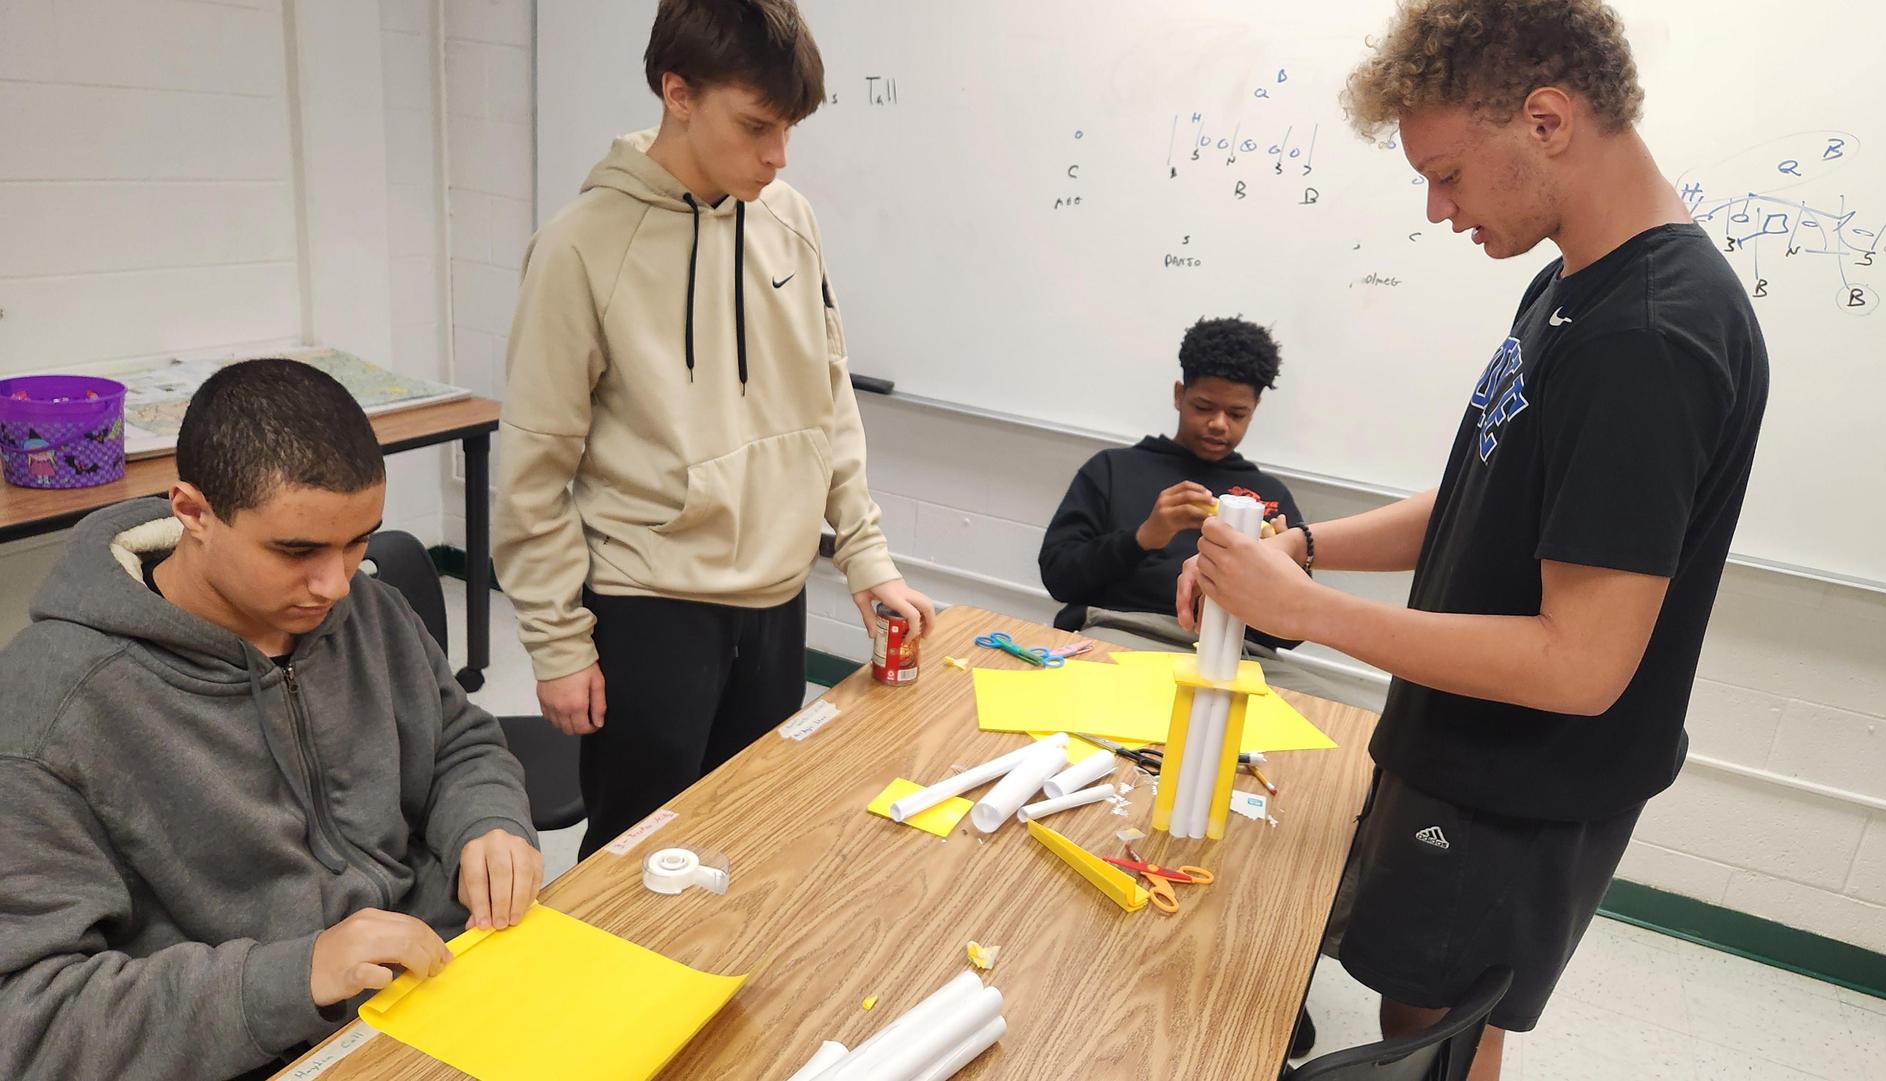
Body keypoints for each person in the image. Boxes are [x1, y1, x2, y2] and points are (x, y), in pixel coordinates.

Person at [1179, 2, 1768, 1076]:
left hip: (1522, 784)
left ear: (1547, 120)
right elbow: (1478, 489)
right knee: (1419, 1005)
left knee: (1439, 1032)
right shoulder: (1573, 280)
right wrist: (1299, 551)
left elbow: (1583, 664)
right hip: (1469, 754)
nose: (1437, 208)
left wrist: (1302, 613)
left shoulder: (1649, 338)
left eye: (1447, 172)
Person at [0, 359, 541, 1081]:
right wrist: (296, 976)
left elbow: (459, 741)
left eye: (359, 541)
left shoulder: (366, 610)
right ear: (192, 511)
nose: (337, 582)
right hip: (255, 1047)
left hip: (439, 984)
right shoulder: (54, 707)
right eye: (297, 550)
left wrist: (489, 821)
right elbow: (30, 1018)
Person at [494, 0, 934, 858]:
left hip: (776, 596)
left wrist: (866, 555)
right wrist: (556, 643)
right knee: (635, 856)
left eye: (790, 130)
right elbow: (536, 465)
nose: (776, 156)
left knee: (748, 839)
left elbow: (827, 399)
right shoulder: (579, 248)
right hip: (649, 602)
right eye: (757, 126)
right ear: (678, 93)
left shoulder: (788, 220)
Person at [1039, 316, 1303, 651]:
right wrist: (1142, 538)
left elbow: (1292, 636)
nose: (1219, 424)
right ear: (1180, 395)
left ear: (1255, 409)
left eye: (1236, 414)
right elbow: (1060, 580)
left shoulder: (1270, 495)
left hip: (1238, 652)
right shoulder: (1111, 469)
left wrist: (1280, 571)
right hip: (1124, 631)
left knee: (1320, 703)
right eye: (1203, 407)